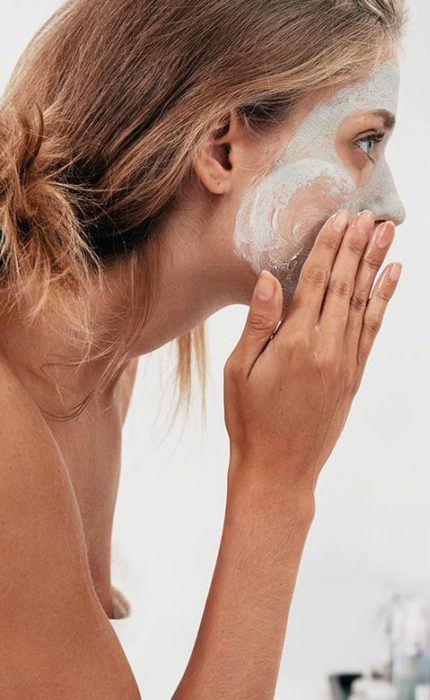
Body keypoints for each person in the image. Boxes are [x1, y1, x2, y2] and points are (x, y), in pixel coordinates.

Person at [0, 0, 407, 696]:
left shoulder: (99, 375)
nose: (393, 205)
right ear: (222, 148)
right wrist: (275, 486)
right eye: (365, 143)